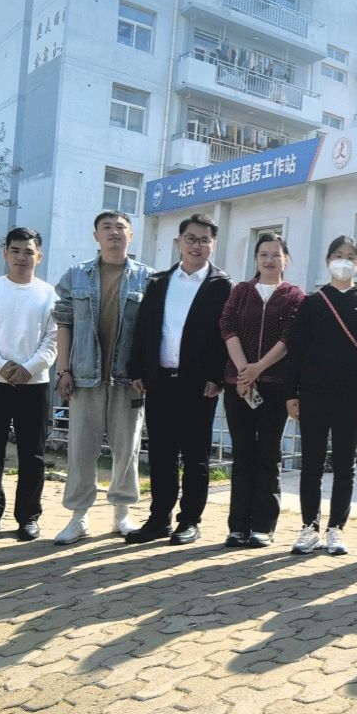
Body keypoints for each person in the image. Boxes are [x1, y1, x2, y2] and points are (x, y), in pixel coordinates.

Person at [125, 214, 233, 546]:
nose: (197, 245)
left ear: (213, 244)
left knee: (196, 456)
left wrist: (217, 377)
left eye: (204, 240)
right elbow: (144, 328)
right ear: (179, 241)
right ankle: (159, 518)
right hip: (160, 380)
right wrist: (137, 370)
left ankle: (190, 520)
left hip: (199, 384)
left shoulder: (222, 285)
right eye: (191, 238)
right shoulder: (159, 282)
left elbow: (226, 336)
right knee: (161, 454)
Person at [52, 211, 154, 544]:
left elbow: (153, 332)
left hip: (129, 380)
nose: (114, 232)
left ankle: (122, 514)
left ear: (131, 235)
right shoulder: (76, 276)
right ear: (96, 235)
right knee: (81, 450)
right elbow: (64, 323)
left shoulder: (147, 279)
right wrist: (63, 370)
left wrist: (146, 373)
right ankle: (78, 518)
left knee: (127, 450)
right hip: (84, 377)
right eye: (106, 227)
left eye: (120, 227)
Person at [285, 235, 357, 556]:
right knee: (311, 464)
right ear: (328, 260)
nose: (344, 261)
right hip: (313, 394)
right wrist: (291, 393)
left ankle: (336, 528)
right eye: (338, 255)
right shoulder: (312, 302)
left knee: (345, 465)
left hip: (352, 397)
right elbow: (296, 351)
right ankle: (309, 527)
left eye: (351, 256)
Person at [0, 227, 59, 541]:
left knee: (33, 455)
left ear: (39, 257)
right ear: (5, 253)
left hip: (35, 384)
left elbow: (54, 340)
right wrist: (1, 366)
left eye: (28, 252)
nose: (21, 257)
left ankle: (28, 517)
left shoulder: (49, 295)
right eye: (15, 250)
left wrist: (28, 369)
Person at [219, 233, 305, 548]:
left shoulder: (295, 295)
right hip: (239, 385)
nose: (269, 260)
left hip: (275, 385)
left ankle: (263, 526)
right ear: (256, 259)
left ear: (286, 259)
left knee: (268, 454)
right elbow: (228, 327)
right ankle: (238, 526)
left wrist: (258, 369)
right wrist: (244, 371)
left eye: (275, 255)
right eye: (263, 254)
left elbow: (289, 337)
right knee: (242, 454)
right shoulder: (241, 291)